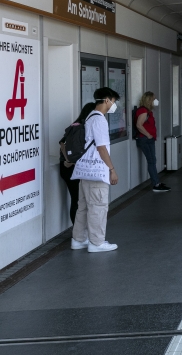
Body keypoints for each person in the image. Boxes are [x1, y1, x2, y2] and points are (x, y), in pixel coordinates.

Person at [71, 87, 120, 253]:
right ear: (107, 100)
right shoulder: (100, 120)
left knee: (83, 207)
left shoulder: (90, 116)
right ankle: (97, 242)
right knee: (98, 207)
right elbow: (101, 148)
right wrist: (112, 169)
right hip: (97, 171)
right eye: (113, 101)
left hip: (84, 169)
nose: (114, 105)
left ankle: (78, 239)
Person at [59, 102, 96, 225]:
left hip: (67, 167)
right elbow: (78, 151)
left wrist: (67, 160)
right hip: (73, 167)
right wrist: (70, 161)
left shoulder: (74, 125)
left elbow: (62, 143)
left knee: (77, 199)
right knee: (78, 200)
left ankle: (78, 231)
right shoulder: (83, 128)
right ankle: (78, 233)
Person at [135, 91, 170, 192]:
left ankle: (156, 182)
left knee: (152, 160)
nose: (156, 100)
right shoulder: (143, 111)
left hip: (148, 139)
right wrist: (148, 135)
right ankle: (156, 184)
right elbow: (139, 125)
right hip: (145, 139)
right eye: (154, 99)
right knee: (151, 161)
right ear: (149, 100)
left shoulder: (147, 111)